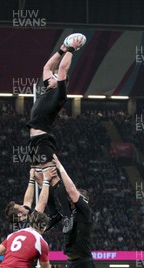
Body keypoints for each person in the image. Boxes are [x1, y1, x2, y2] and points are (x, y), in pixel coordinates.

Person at [27, 36, 84, 233]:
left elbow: (61, 70)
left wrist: (72, 49)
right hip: (34, 141)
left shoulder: (59, 92)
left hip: (43, 139)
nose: (48, 77)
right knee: (41, 178)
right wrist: (61, 49)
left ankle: (67, 215)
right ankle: (54, 214)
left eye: (53, 77)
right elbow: (46, 67)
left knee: (51, 177)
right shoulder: (47, 89)